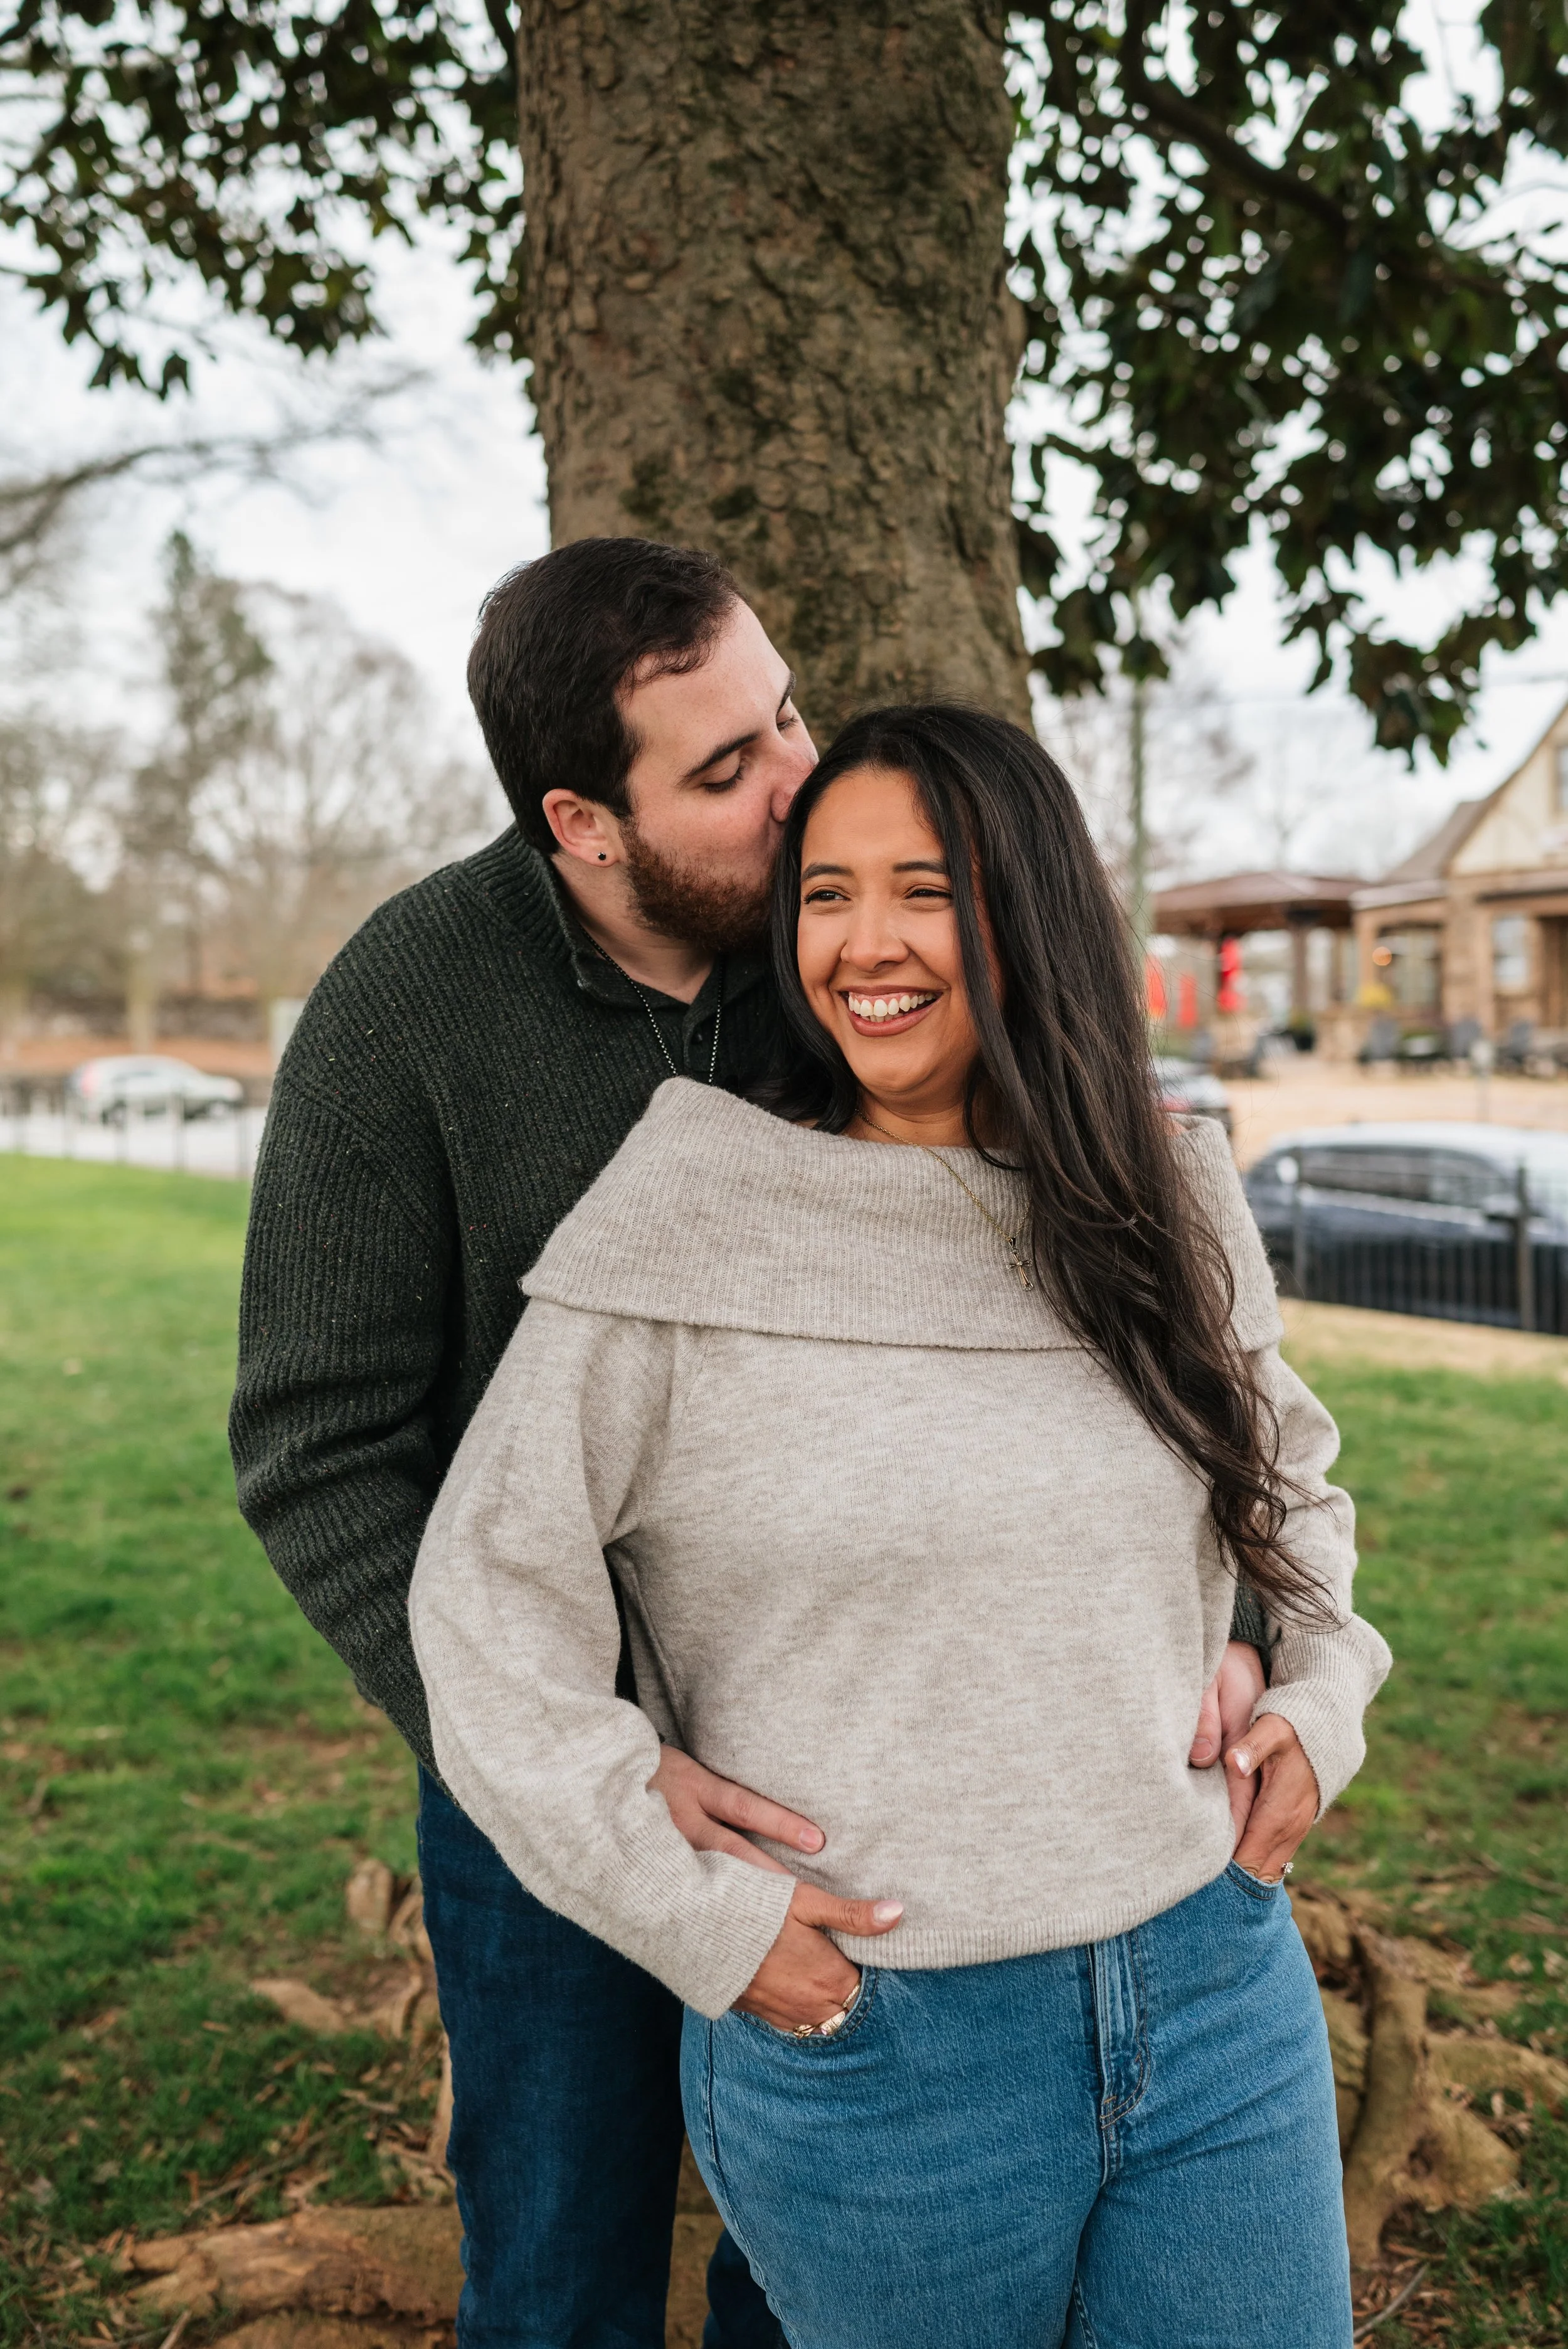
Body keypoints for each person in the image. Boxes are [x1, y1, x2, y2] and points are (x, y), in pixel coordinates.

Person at [231, 542, 1276, 2349]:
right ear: (582, 821)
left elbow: (1143, 1363)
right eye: (724, 774)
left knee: (810, 2267)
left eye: (779, 716)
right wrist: (572, 1762)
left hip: (862, 1764)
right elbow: (317, 1443)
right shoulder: (409, 1006)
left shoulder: (837, 975)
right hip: (560, 1764)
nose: (797, 784)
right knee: (561, 2257)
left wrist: (1228, 1609)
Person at [408, 702, 1392, 2349]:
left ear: (1032, 914)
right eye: (825, 894)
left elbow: (1287, 1485)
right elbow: (486, 1603)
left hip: (1215, 1988)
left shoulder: (1158, 1204)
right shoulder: (691, 1221)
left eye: (926, 890)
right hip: (882, 2048)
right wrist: (700, 1919)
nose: (867, 943)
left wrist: (1316, 1693)